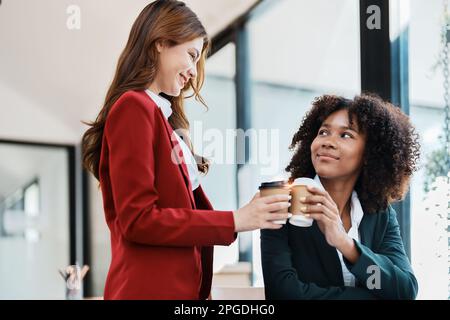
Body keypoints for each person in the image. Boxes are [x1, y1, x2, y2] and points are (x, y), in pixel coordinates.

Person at [81, 0, 290, 300]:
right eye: (191, 55)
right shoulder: (133, 106)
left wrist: (248, 214)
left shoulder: (161, 119)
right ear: (160, 43)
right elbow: (139, 220)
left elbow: (182, 215)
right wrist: (236, 219)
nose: (193, 72)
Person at [261, 94, 420, 299]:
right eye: (323, 132)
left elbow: (404, 291)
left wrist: (347, 245)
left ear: (369, 152)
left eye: (345, 135)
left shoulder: (378, 213)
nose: (328, 142)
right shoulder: (280, 203)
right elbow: (283, 294)